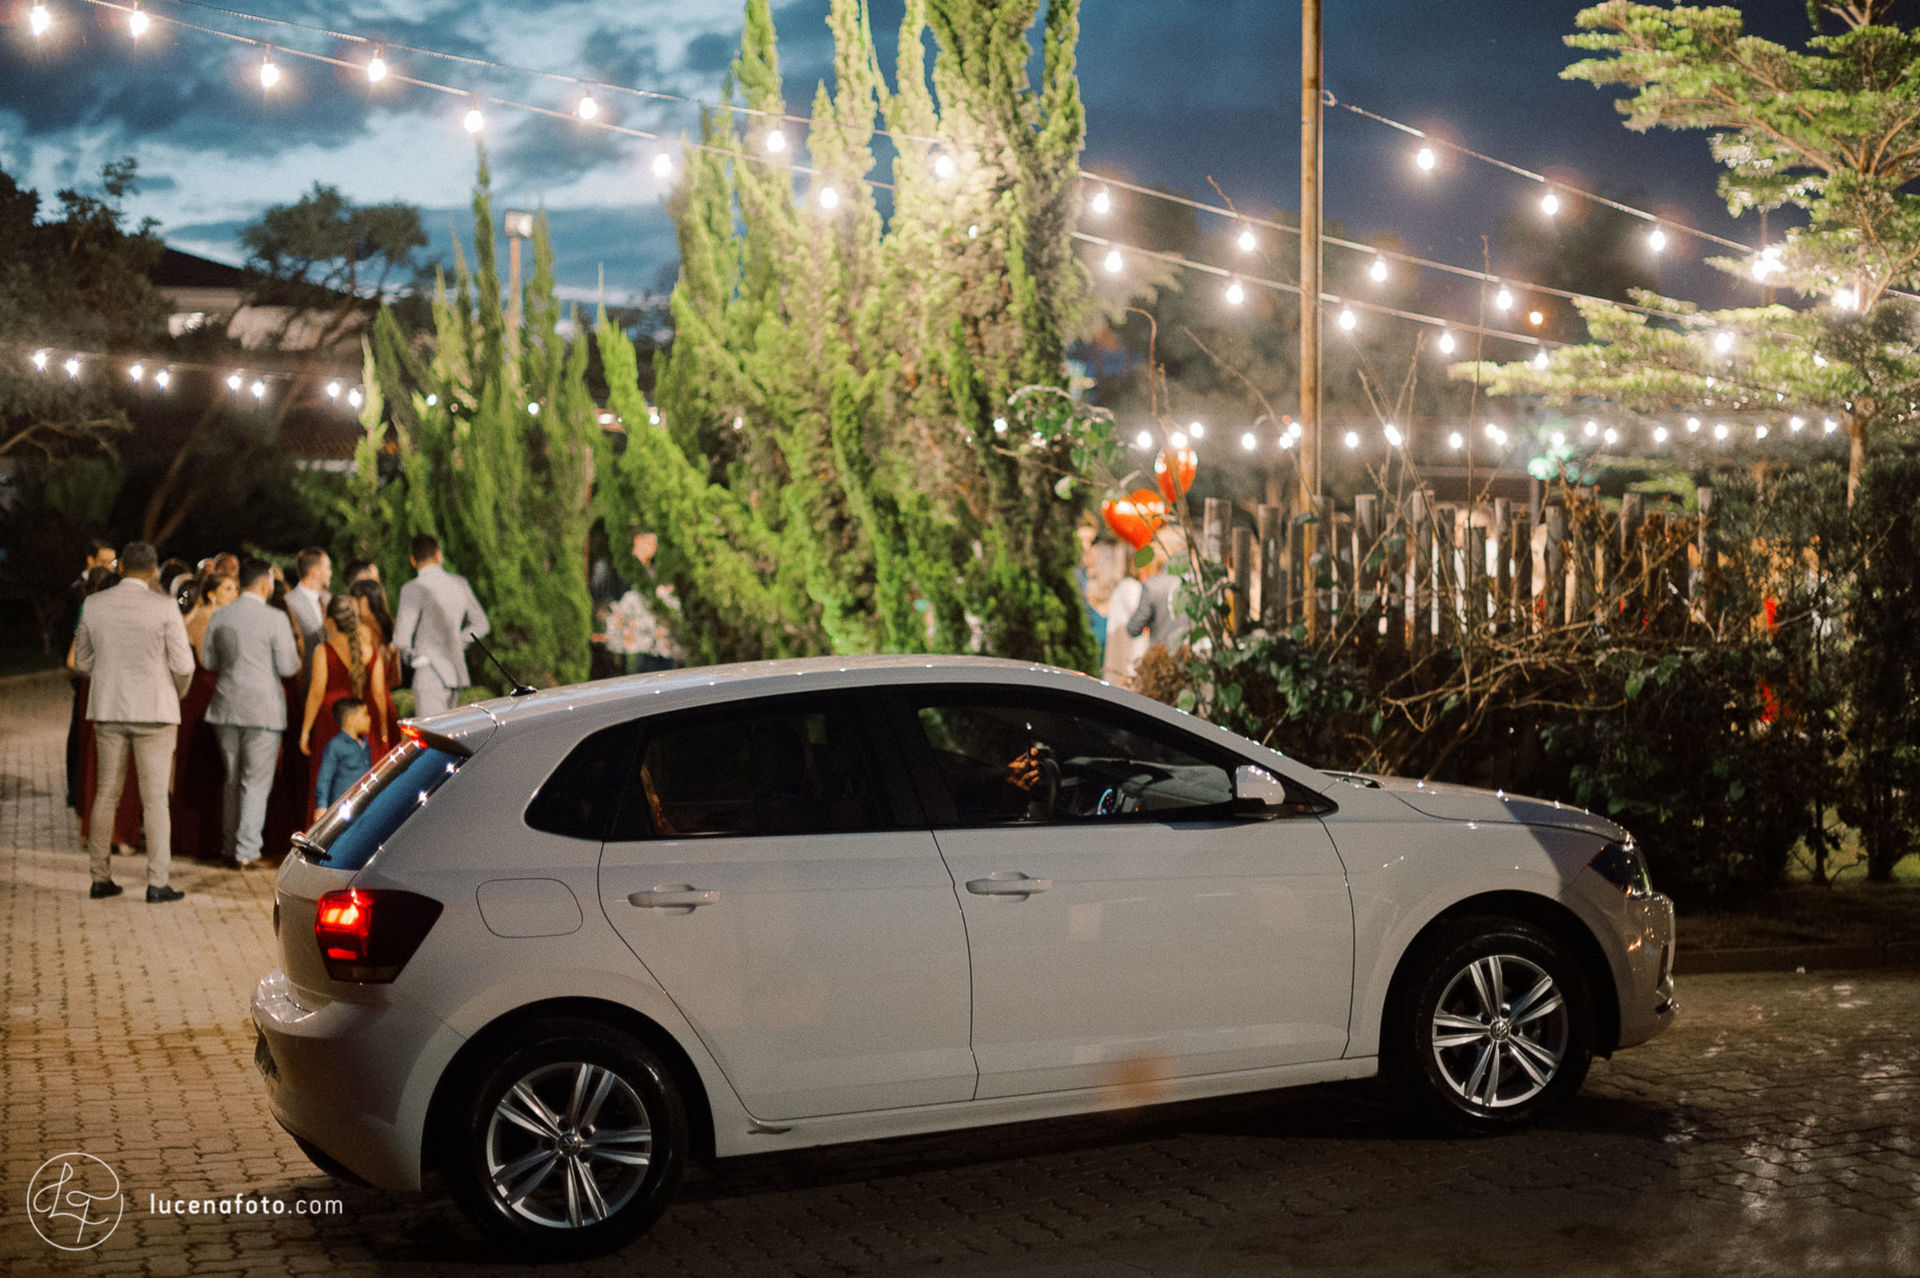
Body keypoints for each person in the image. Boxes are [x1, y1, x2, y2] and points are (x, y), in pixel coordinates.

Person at [72, 541, 193, 902]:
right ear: (154, 570)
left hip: (109, 708)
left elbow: (81, 661)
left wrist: (108, 675)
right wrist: (176, 692)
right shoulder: (165, 607)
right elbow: (184, 665)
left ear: (121, 567)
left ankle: (99, 876)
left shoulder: (94, 605)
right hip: (156, 709)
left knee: (106, 792)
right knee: (155, 799)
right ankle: (157, 882)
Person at [203, 558, 303, 868]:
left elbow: (208, 661)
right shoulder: (274, 618)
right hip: (263, 708)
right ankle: (247, 850)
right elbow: (288, 666)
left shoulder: (220, 615)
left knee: (232, 779)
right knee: (255, 781)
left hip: (226, 704)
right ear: (264, 583)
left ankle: (229, 845)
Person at [300, 594, 391, 810]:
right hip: (363, 718)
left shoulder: (324, 650)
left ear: (330, 621)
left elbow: (316, 692)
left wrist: (306, 731)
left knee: (329, 781)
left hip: (332, 721)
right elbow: (379, 693)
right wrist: (384, 729)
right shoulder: (371, 650)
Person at [173, 571, 238, 861]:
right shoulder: (205, 618)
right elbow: (204, 659)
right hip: (205, 693)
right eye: (227, 589)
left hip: (210, 691)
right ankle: (199, 839)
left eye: (235, 588)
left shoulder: (218, 617)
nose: (233, 594)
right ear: (211, 593)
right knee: (204, 764)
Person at [394, 533, 490, 715]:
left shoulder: (412, 588)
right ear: (438, 555)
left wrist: (415, 657)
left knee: (433, 737)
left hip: (429, 671)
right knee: (456, 737)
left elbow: (401, 639)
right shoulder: (460, 584)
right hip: (456, 672)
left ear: (413, 561)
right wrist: (456, 643)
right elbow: (481, 624)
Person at [65, 538, 118, 810]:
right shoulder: (79, 595)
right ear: (90, 560)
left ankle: (82, 794)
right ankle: (76, 790)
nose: (110, 566)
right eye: (104, 561)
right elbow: (72, 649)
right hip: (86, 676)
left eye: (113, 561)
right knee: (81, 736)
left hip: (94, 676)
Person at [348, 577, 401, 752]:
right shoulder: (387, 627)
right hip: (387, 702)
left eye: (352, 601)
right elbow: (396, 677)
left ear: (362, 601)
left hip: (369, 705)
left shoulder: (363, 631)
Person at [1126, 528, 1192, 656]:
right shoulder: (1201, 584)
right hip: (1194, 661)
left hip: (1163, 662)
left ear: (1172, 549)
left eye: (1159, 545)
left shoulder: (1153, 586)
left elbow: (1133, 628)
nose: (1154, 550)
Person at [312, 697, 373, 820]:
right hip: (343, 807)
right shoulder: (335, 745)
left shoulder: (364, 744)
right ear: (351, 719)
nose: (369, 719)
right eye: (365, 714)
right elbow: (325, 777)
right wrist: (321, 805)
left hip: (364, 803)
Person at [285, 546, 332, 674]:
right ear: (314, 571)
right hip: (306, 679)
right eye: (327, 568)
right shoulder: (289, 603)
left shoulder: (330, 600)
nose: (330, 573)